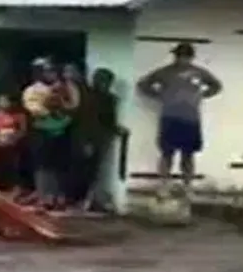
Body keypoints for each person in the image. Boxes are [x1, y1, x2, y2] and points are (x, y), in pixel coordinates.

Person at [137, 42, 223, 190]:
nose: (180, 59)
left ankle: (187, 186)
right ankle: (163, 185)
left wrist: (201, 95)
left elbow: (216, 86)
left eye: (184, 56)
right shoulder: (165, 72)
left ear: (190, 57)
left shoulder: (199, 73)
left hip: (190, 118)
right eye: (178, 56)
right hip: (170, 117)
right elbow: (143, 84)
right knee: (167, 153)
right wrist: (160, 95)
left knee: (188, 154)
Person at [23, 58, 76, 207]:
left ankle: (57, 197)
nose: (50, 74)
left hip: (62, 130)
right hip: (42, 130)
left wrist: (62, 101)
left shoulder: (65, 88)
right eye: (46, 71)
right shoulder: (32, 90)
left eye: (52, 70)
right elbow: (34, 109)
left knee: (58, 165)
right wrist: (50, 105)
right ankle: (43, 197)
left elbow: (73, 106)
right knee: (42, 165)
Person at [73, 68, 123, 211]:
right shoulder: (87, 97)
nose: (105, 84)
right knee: (87, 170)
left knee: (97, 170)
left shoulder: (109, 99)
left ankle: (92, 200)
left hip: (101, 138)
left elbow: (109, 120)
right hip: (88, 137)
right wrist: (85, 141)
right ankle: (83, 200)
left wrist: (116, 129)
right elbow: (84, 121)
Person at [0, 94, 28, 194]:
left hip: (14, 140)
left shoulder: (19, 116)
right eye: (1, 101)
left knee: (14, 152)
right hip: (0, 139)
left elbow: (23, 131)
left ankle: (16, 184)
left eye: (6, 101)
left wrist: (14, 136)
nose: (4, 103)